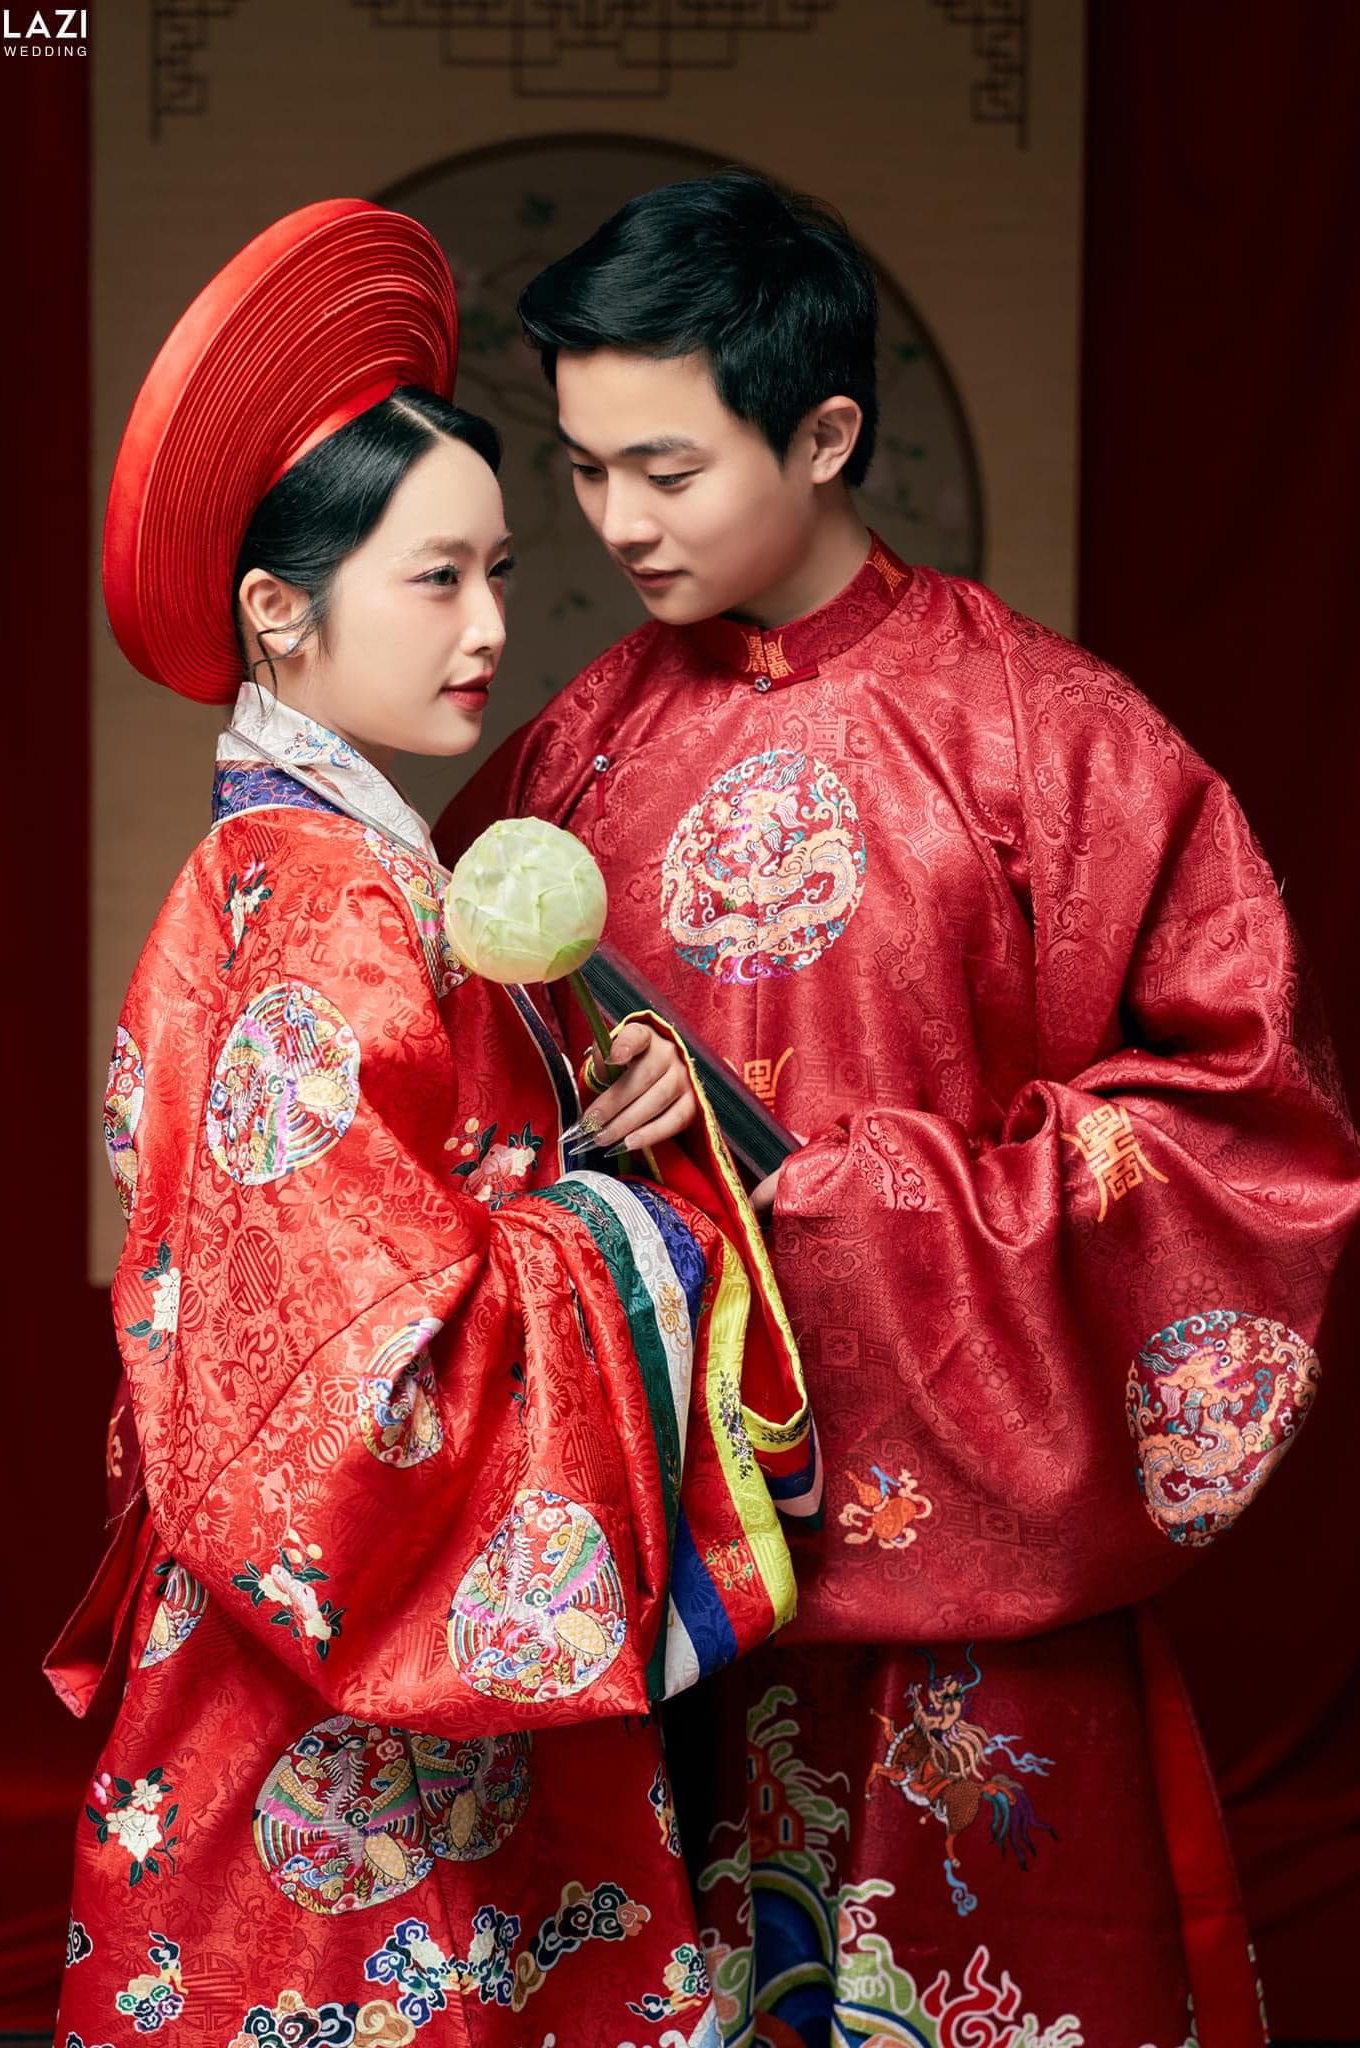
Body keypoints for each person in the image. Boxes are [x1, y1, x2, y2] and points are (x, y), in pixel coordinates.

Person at [434, 169, 1360, 2047]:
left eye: (667, 469)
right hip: (665, 1587)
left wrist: (817, 1195)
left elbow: (1242, 1138)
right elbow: (456, 1120)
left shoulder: (1053, 740)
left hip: (973, 1613)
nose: (617, 522)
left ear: (826, 432)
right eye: (586, 469)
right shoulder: (574, 752)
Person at [49, 197, 814, 2048]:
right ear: (278, 609)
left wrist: (591, 1123)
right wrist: (645, 1228)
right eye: (437, 579)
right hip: (349, 1668)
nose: (491, 628)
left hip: (287, 1629)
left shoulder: (281, 867)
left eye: (497, 571)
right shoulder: (335, 899)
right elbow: (359, 1368)